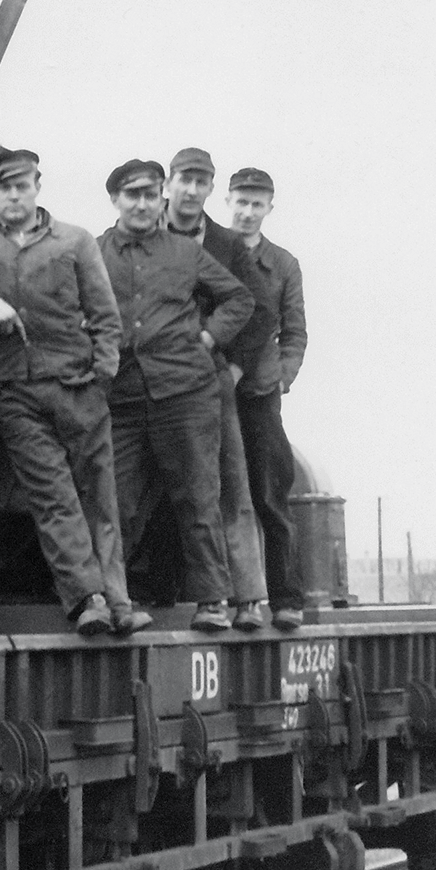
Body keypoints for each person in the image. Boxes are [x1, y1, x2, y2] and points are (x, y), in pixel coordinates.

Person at [0, 148, 149, 636]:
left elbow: (105, 316)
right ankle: (87, 600)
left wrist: (101, 379)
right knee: (53, 497)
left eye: (23, 185)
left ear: (36, 187)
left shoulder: (73, 242)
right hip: (14, 391)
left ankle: (119, 600)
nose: (15, 194)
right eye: (5, 187)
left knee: (101, 496)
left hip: (78, 387)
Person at [97, 159, 255, 632]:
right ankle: (113, 600)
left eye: (150, 194)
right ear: (115, 201)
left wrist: (207, 339)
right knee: (115, 502)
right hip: (121, 396)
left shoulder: (184, 253)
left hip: (186, 392)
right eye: (132, 195)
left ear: (161, 195)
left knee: (198, 497)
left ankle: (212, 602)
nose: (142, 204)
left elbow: (239, 299)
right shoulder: (94, 252)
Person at [163, 147, 273, 631]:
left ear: (211, 190)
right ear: (169, 183)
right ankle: (182, 594)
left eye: (201, 182)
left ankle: (248, 598)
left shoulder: (227, 244)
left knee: (232, 487)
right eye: (184, 180)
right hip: (155, 381)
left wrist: (231, 367)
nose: (191, 190)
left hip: (210, 378)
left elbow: (261, 309)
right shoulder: (143, 236)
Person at [226, 167, 308, 631]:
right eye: (241, 201)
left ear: (269, 209)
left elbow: (295, 331)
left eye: (257, 204)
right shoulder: (211, 251)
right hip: (208, 391)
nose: (247, 211)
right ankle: (229, 599)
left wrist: (283, 376)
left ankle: (285, 598)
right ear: (228, 202)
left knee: (269, 493)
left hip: (259, 394)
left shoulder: (283, 264)